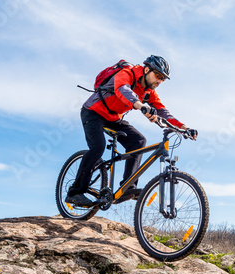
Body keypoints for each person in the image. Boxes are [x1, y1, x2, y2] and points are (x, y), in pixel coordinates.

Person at [65, 55, 197, 207]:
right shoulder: (128, 73)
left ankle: (127, 187)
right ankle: (74, 192)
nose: (159, 81)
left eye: (163, 79)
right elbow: (123, 90)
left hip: (113, 118)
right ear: (147, 70)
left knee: (139, 141)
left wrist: (184, 128)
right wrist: (141, 106)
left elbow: (163, 112)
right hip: (93, 112)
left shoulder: (149, 91)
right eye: (158, 76)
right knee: (98, 146)